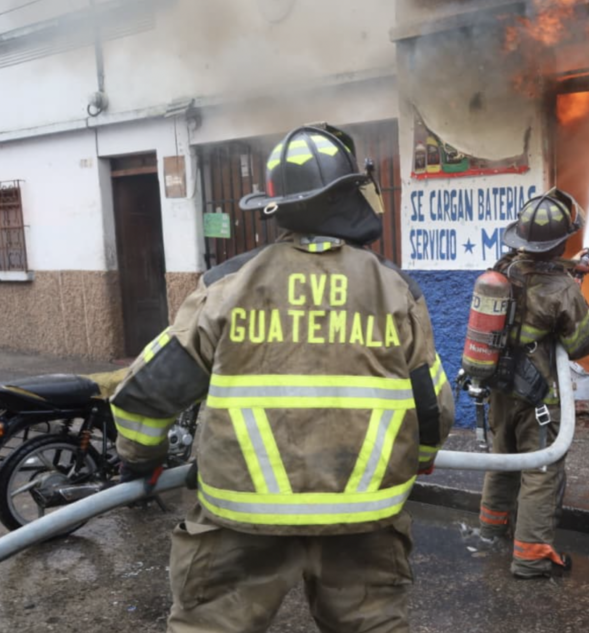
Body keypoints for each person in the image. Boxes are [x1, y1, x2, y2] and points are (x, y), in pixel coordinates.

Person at [111, 125, 454, 632]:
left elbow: (144, 395)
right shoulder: (394, 288)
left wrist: (141, 462)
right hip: (364, 523)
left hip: (239, 525)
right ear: (348, 192)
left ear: (274, 205)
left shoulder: (226, 285)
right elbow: (432, 407)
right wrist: (420, 462)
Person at [474, 188, 589, 579]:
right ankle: (530, 557)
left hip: (500, 386)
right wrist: (573, 291)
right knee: (540, 470)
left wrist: (569, 268)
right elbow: (582, 345)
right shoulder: (561, 291)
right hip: (539, 396)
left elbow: (534, 271)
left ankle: (492, 531)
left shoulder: (504, 269)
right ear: (560, 241)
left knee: (502, 458)